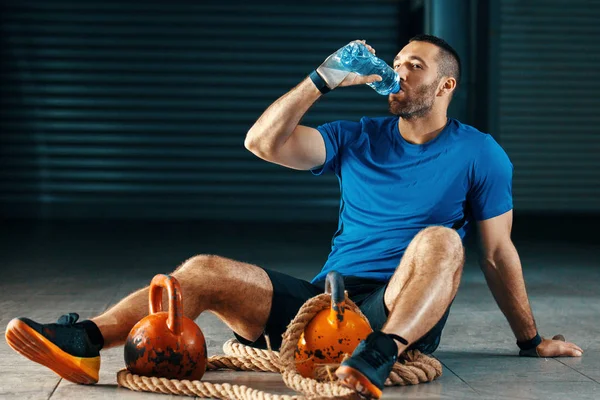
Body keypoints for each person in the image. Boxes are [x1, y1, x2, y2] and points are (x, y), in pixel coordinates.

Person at [5, 35, 583, 399]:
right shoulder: (356, 136)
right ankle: (85, 338)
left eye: (414, 65)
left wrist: (530, 341)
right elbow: (262, 142)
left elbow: (497, 253)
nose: (398, 71)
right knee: (204, 268)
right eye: (398, 61)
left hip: (401, 310)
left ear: (446, 84)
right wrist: (320, 80)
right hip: (324, 306)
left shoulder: (480, 152)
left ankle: (377, 357)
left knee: (441, 241)